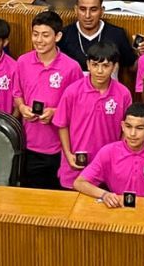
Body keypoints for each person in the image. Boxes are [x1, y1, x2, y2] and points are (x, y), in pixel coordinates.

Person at [12, 10, 84, 189]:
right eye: (35, 34)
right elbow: (16, 93)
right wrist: (21, 108)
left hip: (58, 147)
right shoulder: (22, 62)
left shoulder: (71, 67)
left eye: (45, 35)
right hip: (27, 145)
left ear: (57, 36)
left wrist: (55, 112)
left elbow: (78, 107)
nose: (39, 40)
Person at [53, 42, 133, 189]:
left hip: (108, 167)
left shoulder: (123, 94)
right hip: (76, 166)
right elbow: (62, 124)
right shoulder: (72, 91)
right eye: (95, 65)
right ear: (88, 65)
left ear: (115, 67)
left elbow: (126, 129)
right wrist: (68, 154)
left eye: (106, 66)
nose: (100, 71)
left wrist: (118, 155)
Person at [73, 103, 144, 206]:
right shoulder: (108, 152)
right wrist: (105, 195)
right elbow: (79, 183)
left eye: (139, 128)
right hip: (117, 210)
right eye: (128, 126)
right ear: (122, 126)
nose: (132, 133)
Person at [58, 0, 140, 81]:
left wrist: (143, 55)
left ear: (102, 11)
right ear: (76, 10)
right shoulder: (64, 35)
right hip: (75, 93)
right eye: (83, 9)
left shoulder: (117, 34)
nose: (87, 15)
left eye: (93, 10)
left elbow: (132, 67)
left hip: (109, 93)